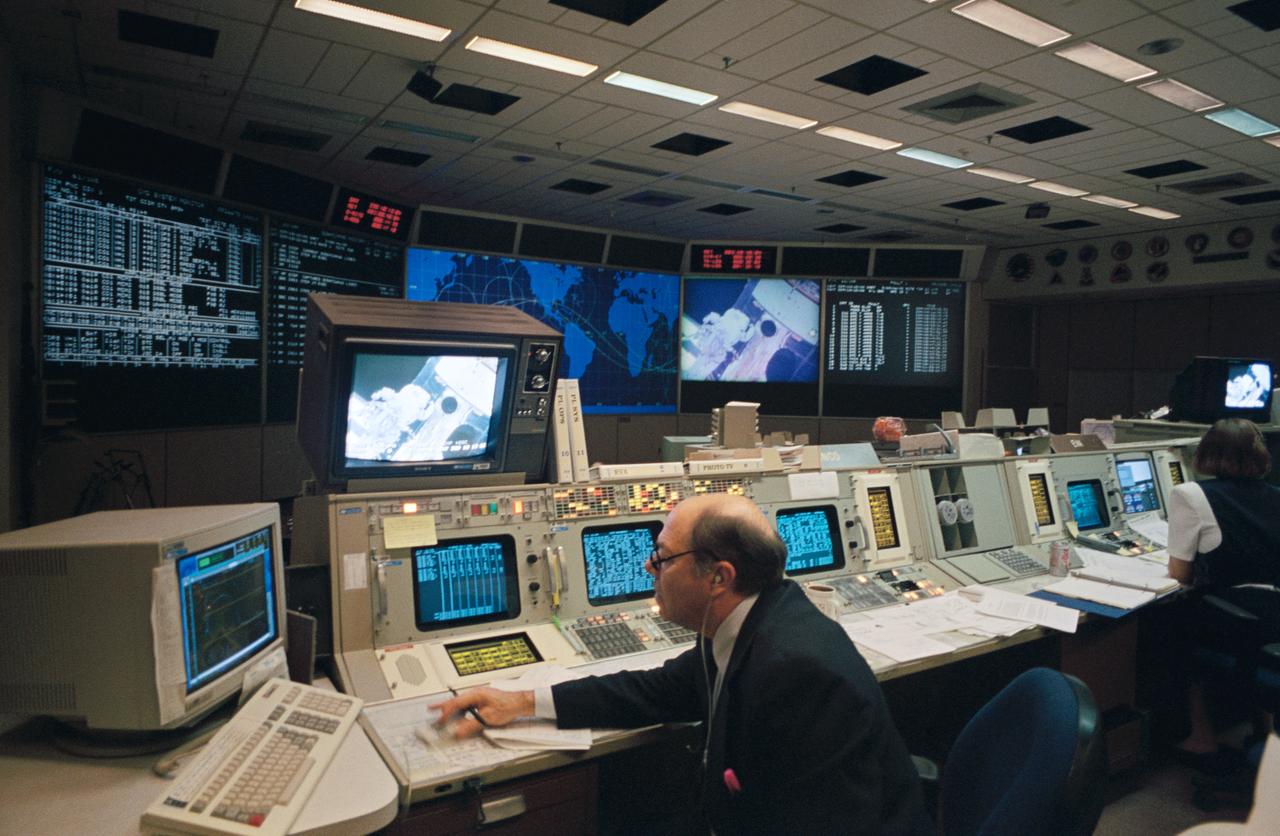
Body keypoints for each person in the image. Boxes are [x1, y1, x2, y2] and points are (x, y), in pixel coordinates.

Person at [433, 493, 932, 836]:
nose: (651, 568)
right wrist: (521, 702)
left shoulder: (793, 671)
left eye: (663, 557)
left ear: (718, 577)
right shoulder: (753, 622)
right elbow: (656, 690)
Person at [1165, 418, 1280, 768]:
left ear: (1205, 453)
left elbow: (1180, 573)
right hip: (1274, 614)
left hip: (1237, 616)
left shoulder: (1192, 494)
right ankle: (1265, 730)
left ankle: (1201, 737)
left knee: (1175, 624)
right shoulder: (1276, 496)